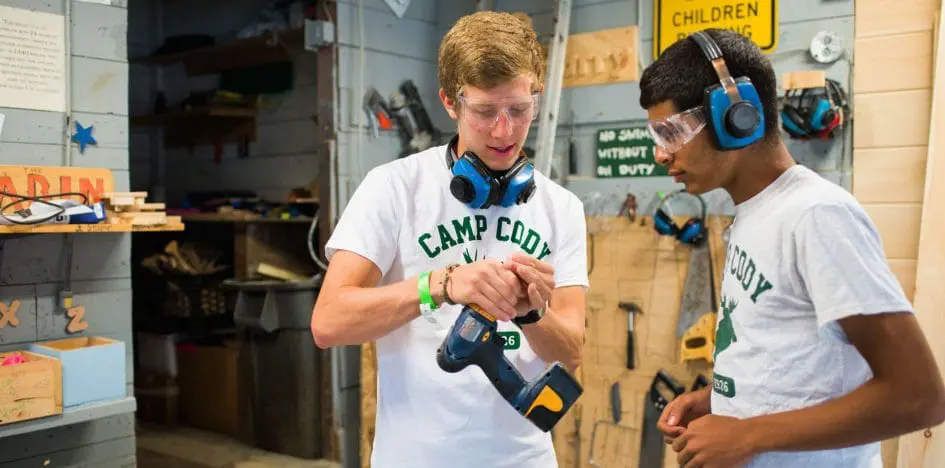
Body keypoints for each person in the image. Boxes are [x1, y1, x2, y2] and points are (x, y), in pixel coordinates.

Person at [639, 28, 945, 468]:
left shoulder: (817, 215)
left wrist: (745, 434)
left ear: (736, 115)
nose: (661, 154)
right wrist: (721, 401)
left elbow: (919, 395)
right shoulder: (755, 213)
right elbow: (794, 361)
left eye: (672, 131)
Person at [310, 10, 588, 468]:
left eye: (520, 110)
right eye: (484, 112)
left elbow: (572, 353)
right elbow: (328, 322)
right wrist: (439, 285)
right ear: (450, 102)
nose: (504, 131)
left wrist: (533, 313)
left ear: (536, 97)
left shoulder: (562, 208)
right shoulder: (395, 187)